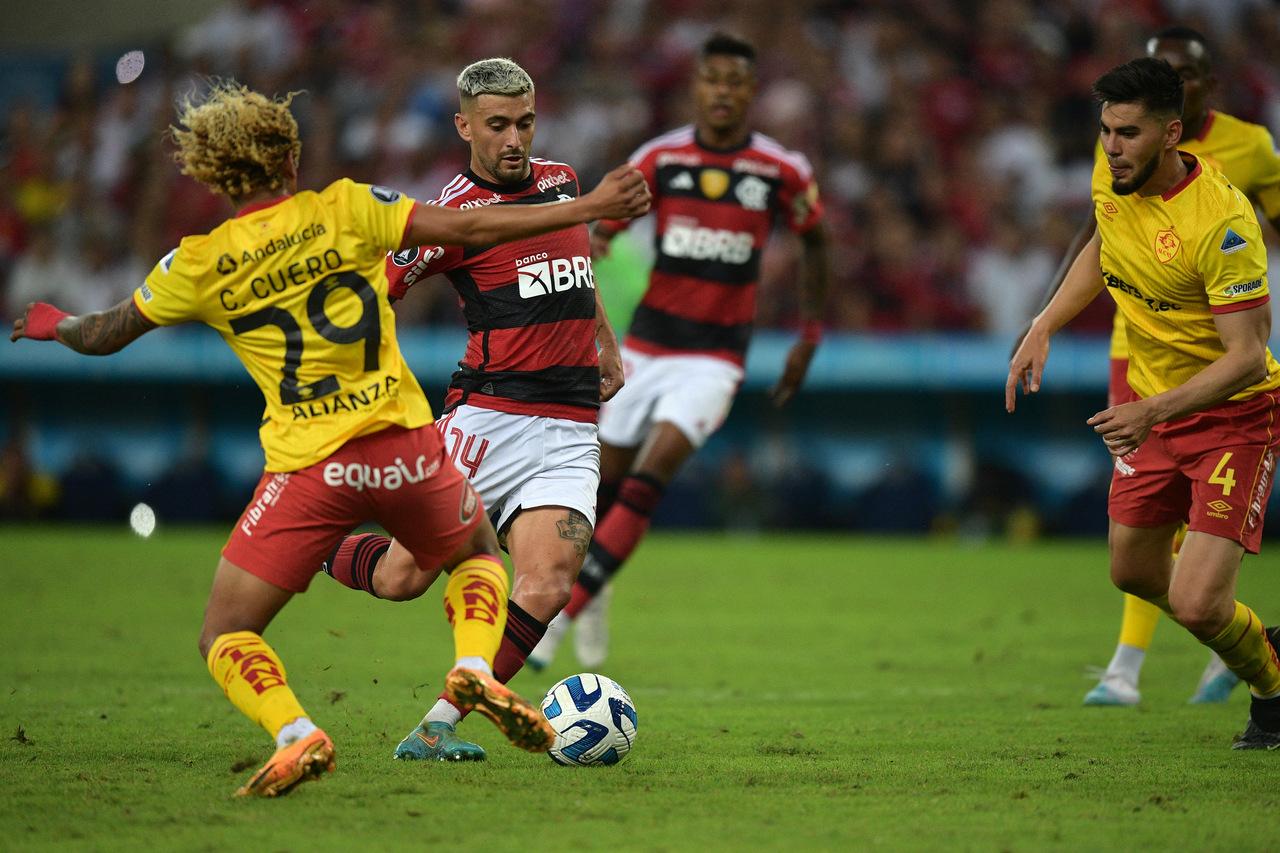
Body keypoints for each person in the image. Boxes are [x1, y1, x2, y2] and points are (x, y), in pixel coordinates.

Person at [8, 81, 649, 795]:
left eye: (525, 120)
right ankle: (463, 662)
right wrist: (592, 209)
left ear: (213, 174)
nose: (516, 135)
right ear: (290, 158)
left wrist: (52, 324)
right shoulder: (348, 206)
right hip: (412, 440)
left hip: (312, 462)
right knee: (453, 563)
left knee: (227, 632)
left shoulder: (197, 261)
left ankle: (356, 723)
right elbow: (458, 235)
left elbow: (108, 331)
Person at [319, 58, 624, 761]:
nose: (514, 138)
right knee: (403, 577)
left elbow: (576, 262)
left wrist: (604, 339)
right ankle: (304, 547)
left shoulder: (561, 182)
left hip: (572, 425)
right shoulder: (449, 220)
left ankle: (437, 725)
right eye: (497, 125)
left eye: (524, 122)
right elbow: (374, 295)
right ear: (464, 126)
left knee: (547, 582)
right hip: (488, 421)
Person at [528, 32, 830, 669]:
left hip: (714, 360)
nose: (723, 91)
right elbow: (601, 227)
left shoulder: (780, 169)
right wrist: (595, 248)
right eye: (712, 78)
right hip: (645, 349)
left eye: (736, 81)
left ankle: (559, 617)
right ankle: (595, 593)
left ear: (751, 92)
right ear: (697, 85)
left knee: (648, 479)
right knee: (599, 491)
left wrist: (808, 335)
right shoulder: (661, 159)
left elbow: (816, 239)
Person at [1008, 57, 1280, 749]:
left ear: (1171, 133)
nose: (1111, 147)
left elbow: (1247, 356)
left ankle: (1274, 687)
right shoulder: (1114, 179)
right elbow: (1104, 248)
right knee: (1130, 570)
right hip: (1153, 412)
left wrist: (1152, 410)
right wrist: (1044, 323)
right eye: (1105, 131)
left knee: (1195, 602)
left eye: (1127, 133)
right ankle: (1256, 642)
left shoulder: (1221, 222)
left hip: (1233, 417)